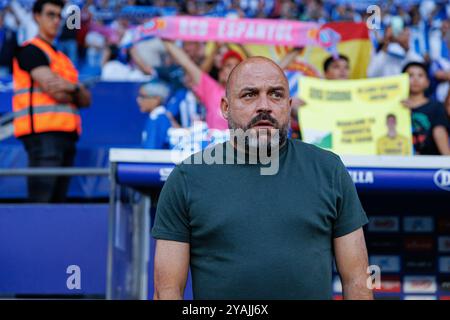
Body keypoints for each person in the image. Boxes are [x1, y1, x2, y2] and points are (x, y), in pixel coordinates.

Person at [152, 57, 373, 300]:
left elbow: (357, 283)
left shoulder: (329, 170)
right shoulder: (187, 178)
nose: (264, 106)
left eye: (276, 95)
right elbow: (167, 291)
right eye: (250, 95)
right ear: (225, 107)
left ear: (289, 105)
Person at [12, 0, 91, 202]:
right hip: (42, 135)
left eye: (59, 15)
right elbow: (55, 90)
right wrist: (76, 89)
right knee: (42, 201)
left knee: (58, 203)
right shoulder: (30, 50)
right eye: (50, 14)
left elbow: (85, 99)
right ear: (37, 16)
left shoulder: (62, 58)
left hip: (66, 136)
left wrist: (72, 89)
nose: (56, 20)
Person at [401, 62, 450, 155]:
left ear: (427, 82)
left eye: (420, 75)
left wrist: (448, 161)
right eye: (410, 75)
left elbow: (439, 132)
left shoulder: (436, 107)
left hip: (429, 163)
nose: (415, 79)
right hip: (398, 161)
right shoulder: (395, 107)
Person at [138, 81, 179, 149]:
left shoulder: (159, 119)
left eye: (143, 96)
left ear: (156, 99)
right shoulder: (156, 118)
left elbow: (151, 151)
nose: (138, 100)